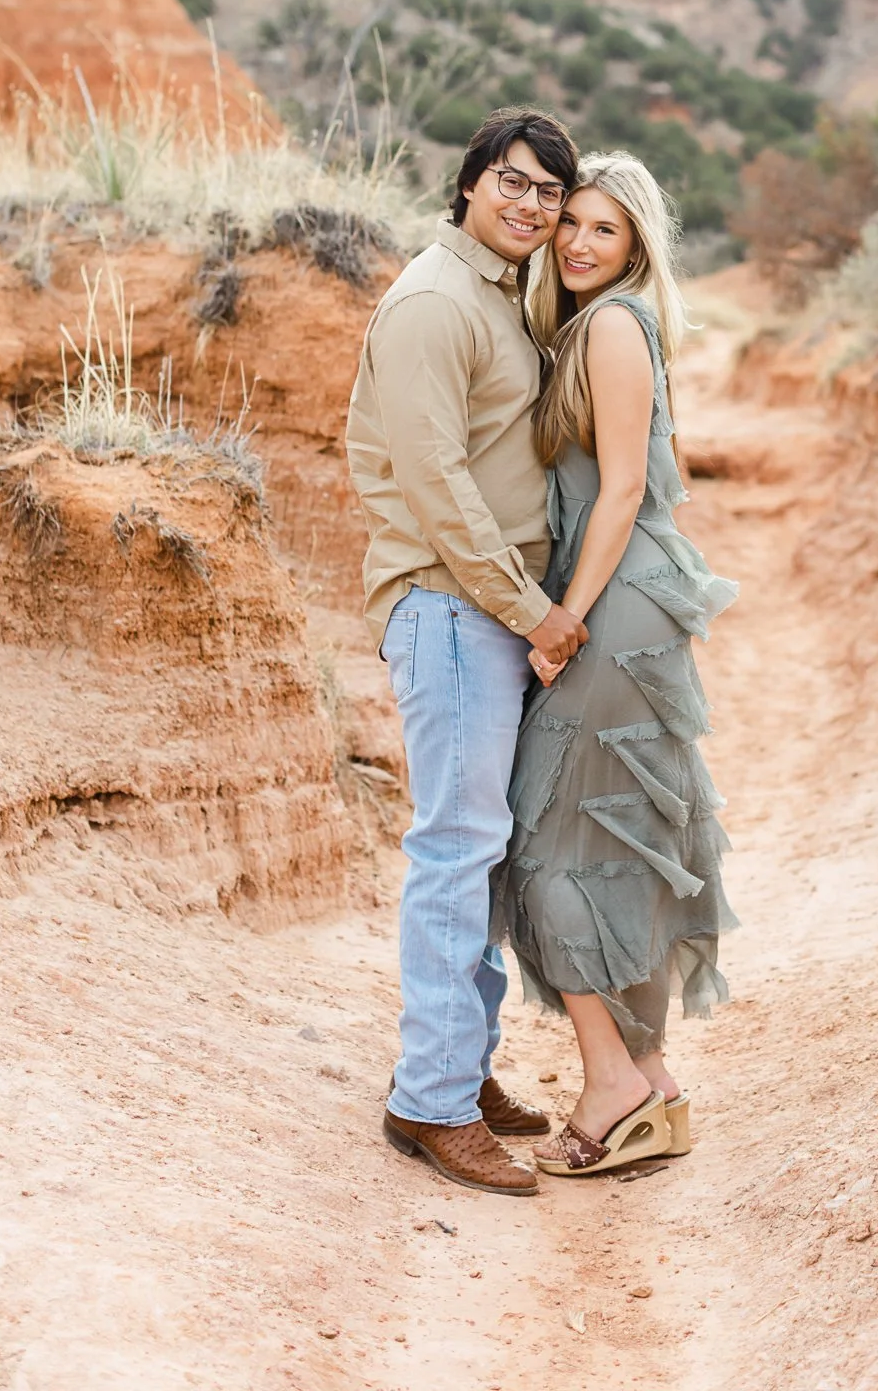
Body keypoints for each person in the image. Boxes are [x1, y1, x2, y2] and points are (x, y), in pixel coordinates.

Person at [346, 106, 586, 1198]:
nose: (530, 204)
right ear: (470, 183)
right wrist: (531, 610)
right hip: (451, 607)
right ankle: (432, 1102)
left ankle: (458, 1069)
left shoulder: (497, 295)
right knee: (455, 846)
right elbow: (436, 483)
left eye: (549, 191)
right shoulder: (434, 302)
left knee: (481, 850)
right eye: (513, 181)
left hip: (483, 609)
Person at [490, 151, 738, 1177]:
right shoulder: (590, 324)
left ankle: (611, 1081)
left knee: (540, 839)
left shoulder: (612, 326)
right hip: (622, 599)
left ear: (636, 246)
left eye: (607, 229)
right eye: (573, 224)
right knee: (610, 840)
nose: (582, 243)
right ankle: (652, 1081)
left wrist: (563, 620)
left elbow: (625, 488)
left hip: (612, 602)